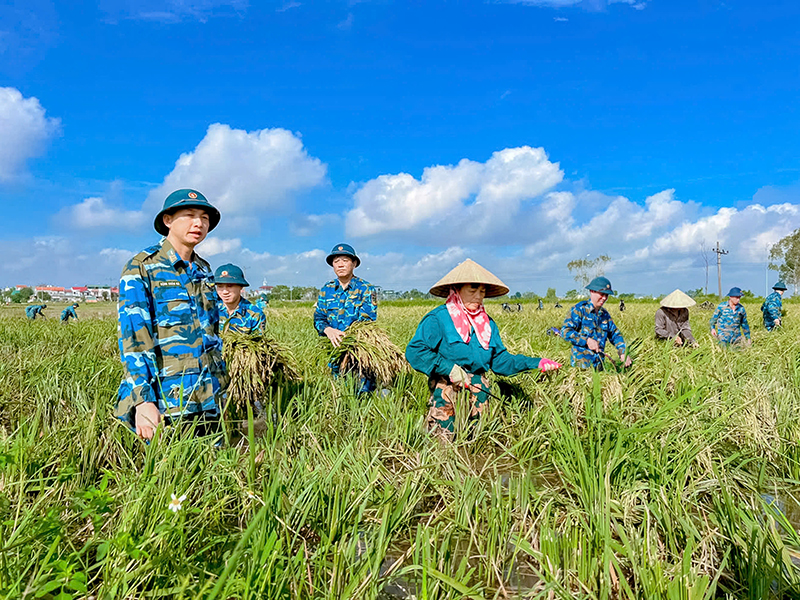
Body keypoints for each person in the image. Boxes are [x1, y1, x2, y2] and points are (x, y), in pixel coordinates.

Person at [115, 189, 228, 441]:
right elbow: (134, 338)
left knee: (215, 472)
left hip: (209, 395)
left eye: (204, 218)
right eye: (189, 215)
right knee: (168, 475)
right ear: (168, 220)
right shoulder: (143, 266)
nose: (198, 223)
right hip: (167, 399)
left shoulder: (204, 269)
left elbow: (212, 333)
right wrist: (144, 401)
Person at [406, 259, 561, 440]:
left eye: (482, 291)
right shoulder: (439, 319)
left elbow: (501, 361)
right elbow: (415, 351)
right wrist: (449, 368)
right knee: (444, 440)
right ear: (457, 290)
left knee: (478, 440)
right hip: (447, 386)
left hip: (478, 393)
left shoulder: (487, 324)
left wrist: (536, 362)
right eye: (473, 290)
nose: (478, 296)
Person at [314, 243, 378, 392]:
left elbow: (367, 320)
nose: (340, 265)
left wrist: (348, 341)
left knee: (362, 395)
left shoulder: (365, 288)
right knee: (339, 395)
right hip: (335, 353)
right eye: (336, 261)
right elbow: (319, 317)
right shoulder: (326, 290)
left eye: (345, 260)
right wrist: (328, 330)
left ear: (354, 264)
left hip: (359, 353)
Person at [561, 276, 632, 369]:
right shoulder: (579, 310)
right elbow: (565, 332)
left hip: (599, 368)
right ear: (592, 291)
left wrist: (623, 352)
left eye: (606, 295)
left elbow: (615, 335)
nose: (604, 298)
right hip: (581, 369)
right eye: (602, 294)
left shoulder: (604, 315)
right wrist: (586, 340)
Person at [215, 264, 265, 335]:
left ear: (241, 287)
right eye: (220, 286)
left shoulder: (255, 315)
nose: (225, 292)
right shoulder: (209, 310)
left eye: (230, 286)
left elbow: (258, 343)